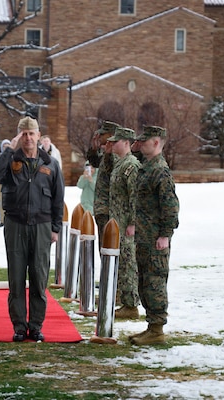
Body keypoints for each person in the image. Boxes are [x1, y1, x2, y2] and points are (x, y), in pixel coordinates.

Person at [0, 116, 64, 342]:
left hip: (41, 226)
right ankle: (19, 326)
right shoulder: (11, 160)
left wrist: (56, 228)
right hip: (16, 225)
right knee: (17, 278)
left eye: (32, 133)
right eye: (24, 133)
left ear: (39, 136)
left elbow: (58, 200)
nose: (28, 138)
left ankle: (36, 325)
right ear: (19, 135)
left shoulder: (50, 164)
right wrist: (9, 150)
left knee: (39, 278)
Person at [129, 126, 179, 345]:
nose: (140, 144)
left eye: (145, 141)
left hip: (155, 238)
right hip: (144, 236)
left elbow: (170, 206)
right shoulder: (147, 167)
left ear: (156, 142)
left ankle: (157, 329)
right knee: (145, 280)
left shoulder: (160, 171)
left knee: (155, 281)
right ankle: (151, 326)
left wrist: (165, 235)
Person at [108, 126, 141, 320]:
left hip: (126, 224)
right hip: (117, 222)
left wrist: (133, 223)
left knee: (128, 263)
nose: (113, 144)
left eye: (117, 141)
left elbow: (135, 197)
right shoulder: (120, 164)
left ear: (127, 143)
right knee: (122, 262)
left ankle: (131, 305)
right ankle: (124, 298)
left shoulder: (131, 166)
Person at [86, 120, 119, 249]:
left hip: (111, 211)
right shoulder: (106, 156)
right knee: (104, 249)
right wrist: (94, 149)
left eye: (102, 136)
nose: (98, 138)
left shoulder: (117, 157)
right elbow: (95, 162)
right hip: (102, 209)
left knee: (110, 250)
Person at [0, 139, 11, 227]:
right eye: (4, 146)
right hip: (1, 183)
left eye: (7, 146)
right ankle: (2, 220)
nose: (6, 148)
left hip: (10, 183)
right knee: (1, 202)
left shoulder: (13, 156)